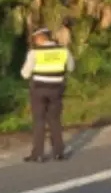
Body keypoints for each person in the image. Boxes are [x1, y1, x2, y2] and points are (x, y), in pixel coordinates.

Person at [20, 27, 76, 162]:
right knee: (54, 120)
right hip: (56, 90)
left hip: (39, 90)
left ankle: (38, 154)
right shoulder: (63, 51)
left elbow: (25, 74)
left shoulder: (34, 53)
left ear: (40, 38)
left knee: (39, 121)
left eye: (35, 39)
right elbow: (71, 68)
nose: (35, 41)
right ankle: (59, 152)